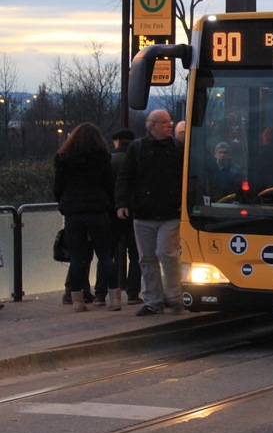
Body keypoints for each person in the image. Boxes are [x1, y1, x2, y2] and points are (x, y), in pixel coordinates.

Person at [115, 110, 184, 316]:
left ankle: (173, 296)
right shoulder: (137, 148)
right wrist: (122, 203)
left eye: (169, 122)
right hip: (144, 213)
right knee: (146, 258)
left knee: (166, 254)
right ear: (152, 125)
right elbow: (125, 177)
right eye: (164, 123)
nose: (169, 126)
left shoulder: (177, 148)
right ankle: (155, 300)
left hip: (169, 212)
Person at [53, 123, 119, 312]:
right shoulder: (101, 159)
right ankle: (114, 298)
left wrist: (64, 204)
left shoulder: (64, 159)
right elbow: (109, 184)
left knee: (76, 258)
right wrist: (109, 204)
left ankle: (78, 301)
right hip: (98, 210)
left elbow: (58, 188)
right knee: (105, 255)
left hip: (74, 212)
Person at [110, 128, 142, 304]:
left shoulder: (110, 161)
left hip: (113, 213)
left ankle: (102, 293)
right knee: (136, 254)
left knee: (108, 254)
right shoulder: (138, 161)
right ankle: (132, 293)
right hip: (135, 211)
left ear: (117, 142)